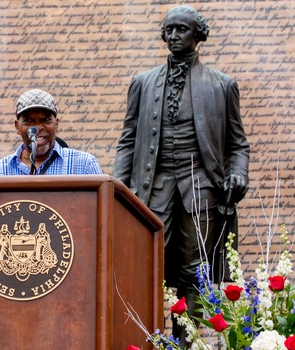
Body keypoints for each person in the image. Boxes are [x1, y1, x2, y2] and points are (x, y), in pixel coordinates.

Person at [112, 5, 249, 344]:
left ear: (197, 36)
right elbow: (128, 140)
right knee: (146, 265)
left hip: (201, 190)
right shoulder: (142, 83)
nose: (173, 36)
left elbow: (238, 145)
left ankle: (186, 340)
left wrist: (238, 174)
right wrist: (118, 189)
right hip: (152, 189)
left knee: (193, 270)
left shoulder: (222, 85)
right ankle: (148, 338)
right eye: (169, 30)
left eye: (181, 30)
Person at [0, 88, 103, 175]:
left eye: (45, 120)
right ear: (17, 126)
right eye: (29, 121)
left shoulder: (85, 165)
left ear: (56, 125)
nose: (38, 128)